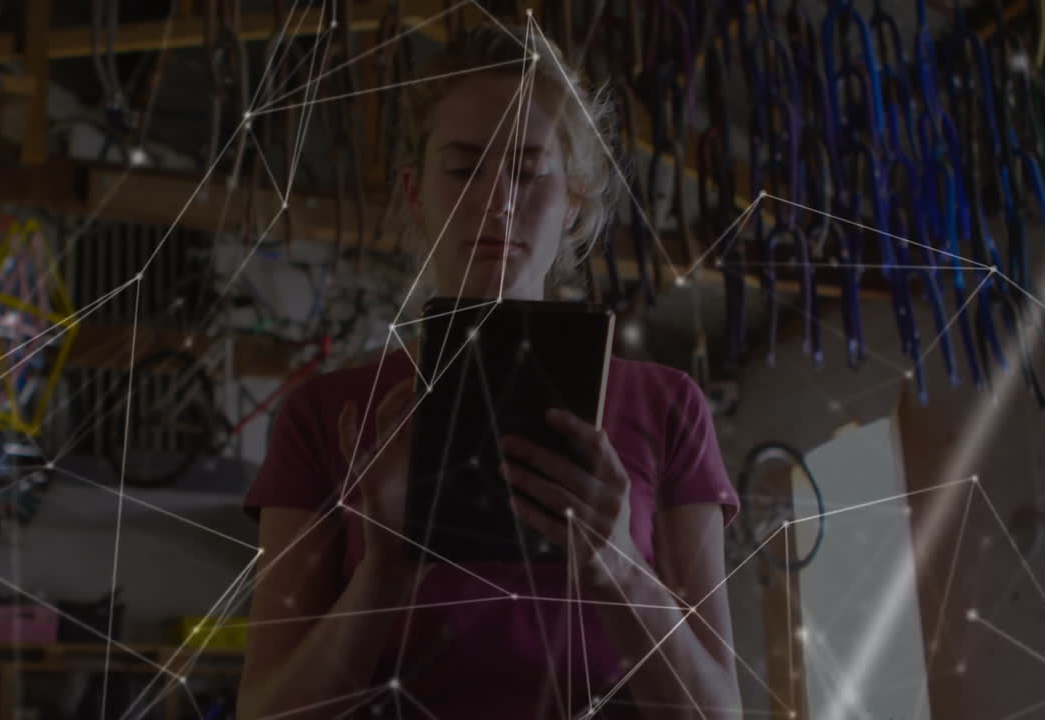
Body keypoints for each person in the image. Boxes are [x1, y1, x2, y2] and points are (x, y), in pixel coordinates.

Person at [237, 23, 742, 720]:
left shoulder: (667, 406)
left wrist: (616, 560)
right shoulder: (325, 416)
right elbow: (265, 713)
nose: (499, 200)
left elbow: (721, 713)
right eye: (465, 166)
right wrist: (384, 566)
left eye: (529, 170)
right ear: (415, 193)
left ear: (573, 205)